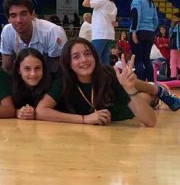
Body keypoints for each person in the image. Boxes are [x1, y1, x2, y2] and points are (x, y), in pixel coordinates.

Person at [36, 38, 180, 126]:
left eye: (87, 54)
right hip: (104, 116)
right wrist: (84, 119)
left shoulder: (108, 75)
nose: (84, 60)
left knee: (140, 93)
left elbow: (150, 122)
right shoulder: (62, 82)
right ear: (68, 62)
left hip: (119, 112)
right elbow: (41, 111)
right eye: (76, 57)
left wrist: (130, 89)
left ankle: (157, 91)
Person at [0, 0, 67, 76]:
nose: (19, 20)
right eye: (13, 16)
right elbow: (7, 68)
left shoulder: (52, 32)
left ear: (33, 14)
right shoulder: (7, 31)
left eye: (23, 14)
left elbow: (59, 72)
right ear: (8, 19)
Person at [82, 0, 117, 64]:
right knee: (104, 60)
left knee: (93, 57)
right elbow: (114, 22)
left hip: (100, 34)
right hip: (109, 34)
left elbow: (85, 3)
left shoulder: (102, 0)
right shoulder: (112, 4)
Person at [129, 0, 158, 81]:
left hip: (138, 32)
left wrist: (134, 32)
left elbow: (136, 16)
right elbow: (156, 20)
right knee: (147, 59)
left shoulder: (137, 0)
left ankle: (140, 84)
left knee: (138, 60)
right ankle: (151, 83)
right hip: (150, 32)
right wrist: (152, 30)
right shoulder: (151, 2)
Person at [11, 48, 51, 120]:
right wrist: (16, 112)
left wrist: (35, 112)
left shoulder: (52, 85)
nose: (33, 74)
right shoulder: (9, 85)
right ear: (18, 70)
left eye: (37, 68)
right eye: (27, 68)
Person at [170, 13, 180, 79]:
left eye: (175, 18)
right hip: (175, 46)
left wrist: (178, 47)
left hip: (176, 47)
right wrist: (172, 26)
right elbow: (170, 34)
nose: (173, 19)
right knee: (178, 62)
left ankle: (173, 76)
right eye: (173, 18)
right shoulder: (175, 25)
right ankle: (174, 76)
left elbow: (178, 37)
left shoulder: (178, 25)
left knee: (173, 62)